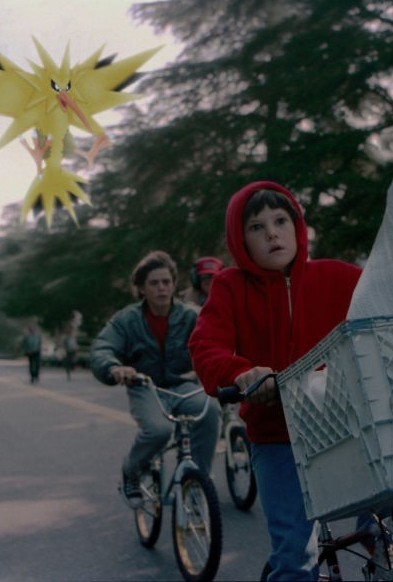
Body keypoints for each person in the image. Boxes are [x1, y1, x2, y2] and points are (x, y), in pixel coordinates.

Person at [188, 181, 362, 581]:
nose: (272, 233)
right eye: (256, 227)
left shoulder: (337, 276)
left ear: (297, 227)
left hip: (346, 428)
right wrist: (241, 372)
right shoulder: (229, 286)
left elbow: (388, 301)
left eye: (281, 221)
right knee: (296, 558)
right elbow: (205, 345)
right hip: (277, 434)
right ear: (240, 240)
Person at [90, 250, 221, 507]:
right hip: (145, 386)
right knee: (159, 430)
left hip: (183, 384)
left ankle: (197, 481)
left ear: (173, 284)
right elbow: (102, 348)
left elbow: (217, 341)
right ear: (141, 288)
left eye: (166, 282)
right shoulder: (127, 320)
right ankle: (131, 469)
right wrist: (114, 368)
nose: (161, 288)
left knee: (209, 411)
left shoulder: (192, 316)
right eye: (154, 283)